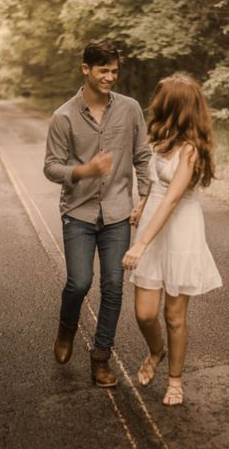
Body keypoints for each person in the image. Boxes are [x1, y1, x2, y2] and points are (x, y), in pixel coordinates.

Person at [43, 38, 151, 388]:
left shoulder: (131, 109)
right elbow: (51, 167)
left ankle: (101, 357)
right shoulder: (63, 116)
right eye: (103, 70)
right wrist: (84, 171)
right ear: (85, 69)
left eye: (115, 71)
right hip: (78, 212)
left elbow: (142, 156)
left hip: (118, 211)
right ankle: (66, 328)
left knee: (114, 286)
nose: (110, 77)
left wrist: (145, 197)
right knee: (79, 282)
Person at [122, 73, 222, 406]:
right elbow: (156, 188)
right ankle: (156, 351)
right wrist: (140, 205)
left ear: (174, 106)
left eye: (159, 99)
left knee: (174, 316)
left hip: (179, 232)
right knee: (145, 313)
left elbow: (172, 199)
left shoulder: (191, 150)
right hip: (153, 222)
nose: (153, 103)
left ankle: (176, 379)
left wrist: (140, 243)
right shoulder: (162, 139)